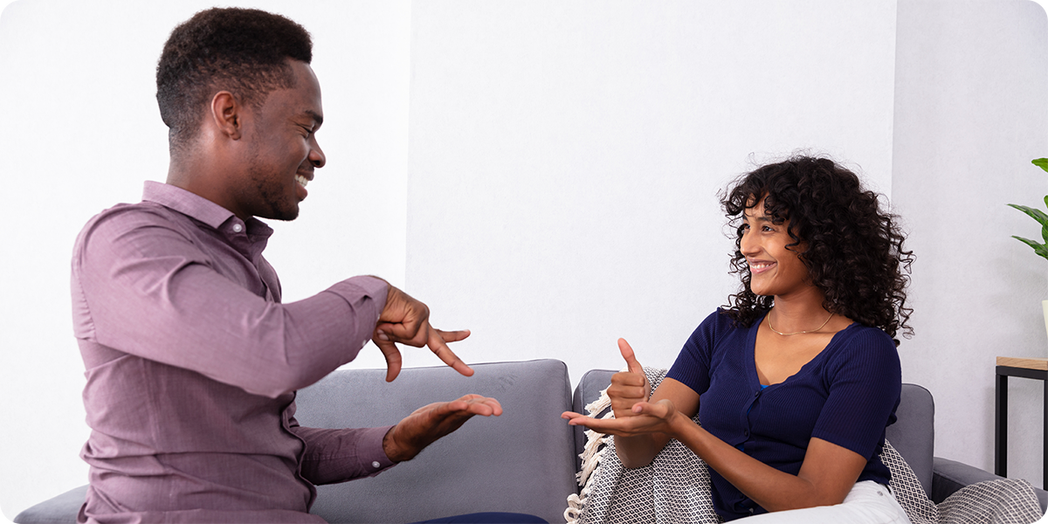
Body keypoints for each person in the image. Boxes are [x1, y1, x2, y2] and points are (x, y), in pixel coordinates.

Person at [70, 8, 542, 524]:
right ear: (229, 115)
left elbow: (276, 449)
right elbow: (274, 352)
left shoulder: (250, 268)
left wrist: (392, 441)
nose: (317, 155)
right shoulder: (124, 241)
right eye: (305, 128)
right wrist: (373, 292)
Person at [563, 156, 915, 522]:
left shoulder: (866, 351)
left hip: (843, 512)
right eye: (746, 227)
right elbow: (641, 453)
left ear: (822, 239)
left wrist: (682, 427)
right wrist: (629, 417)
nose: (747, 246)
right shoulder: (721, 332)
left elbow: (816, 497)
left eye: (767, 228)